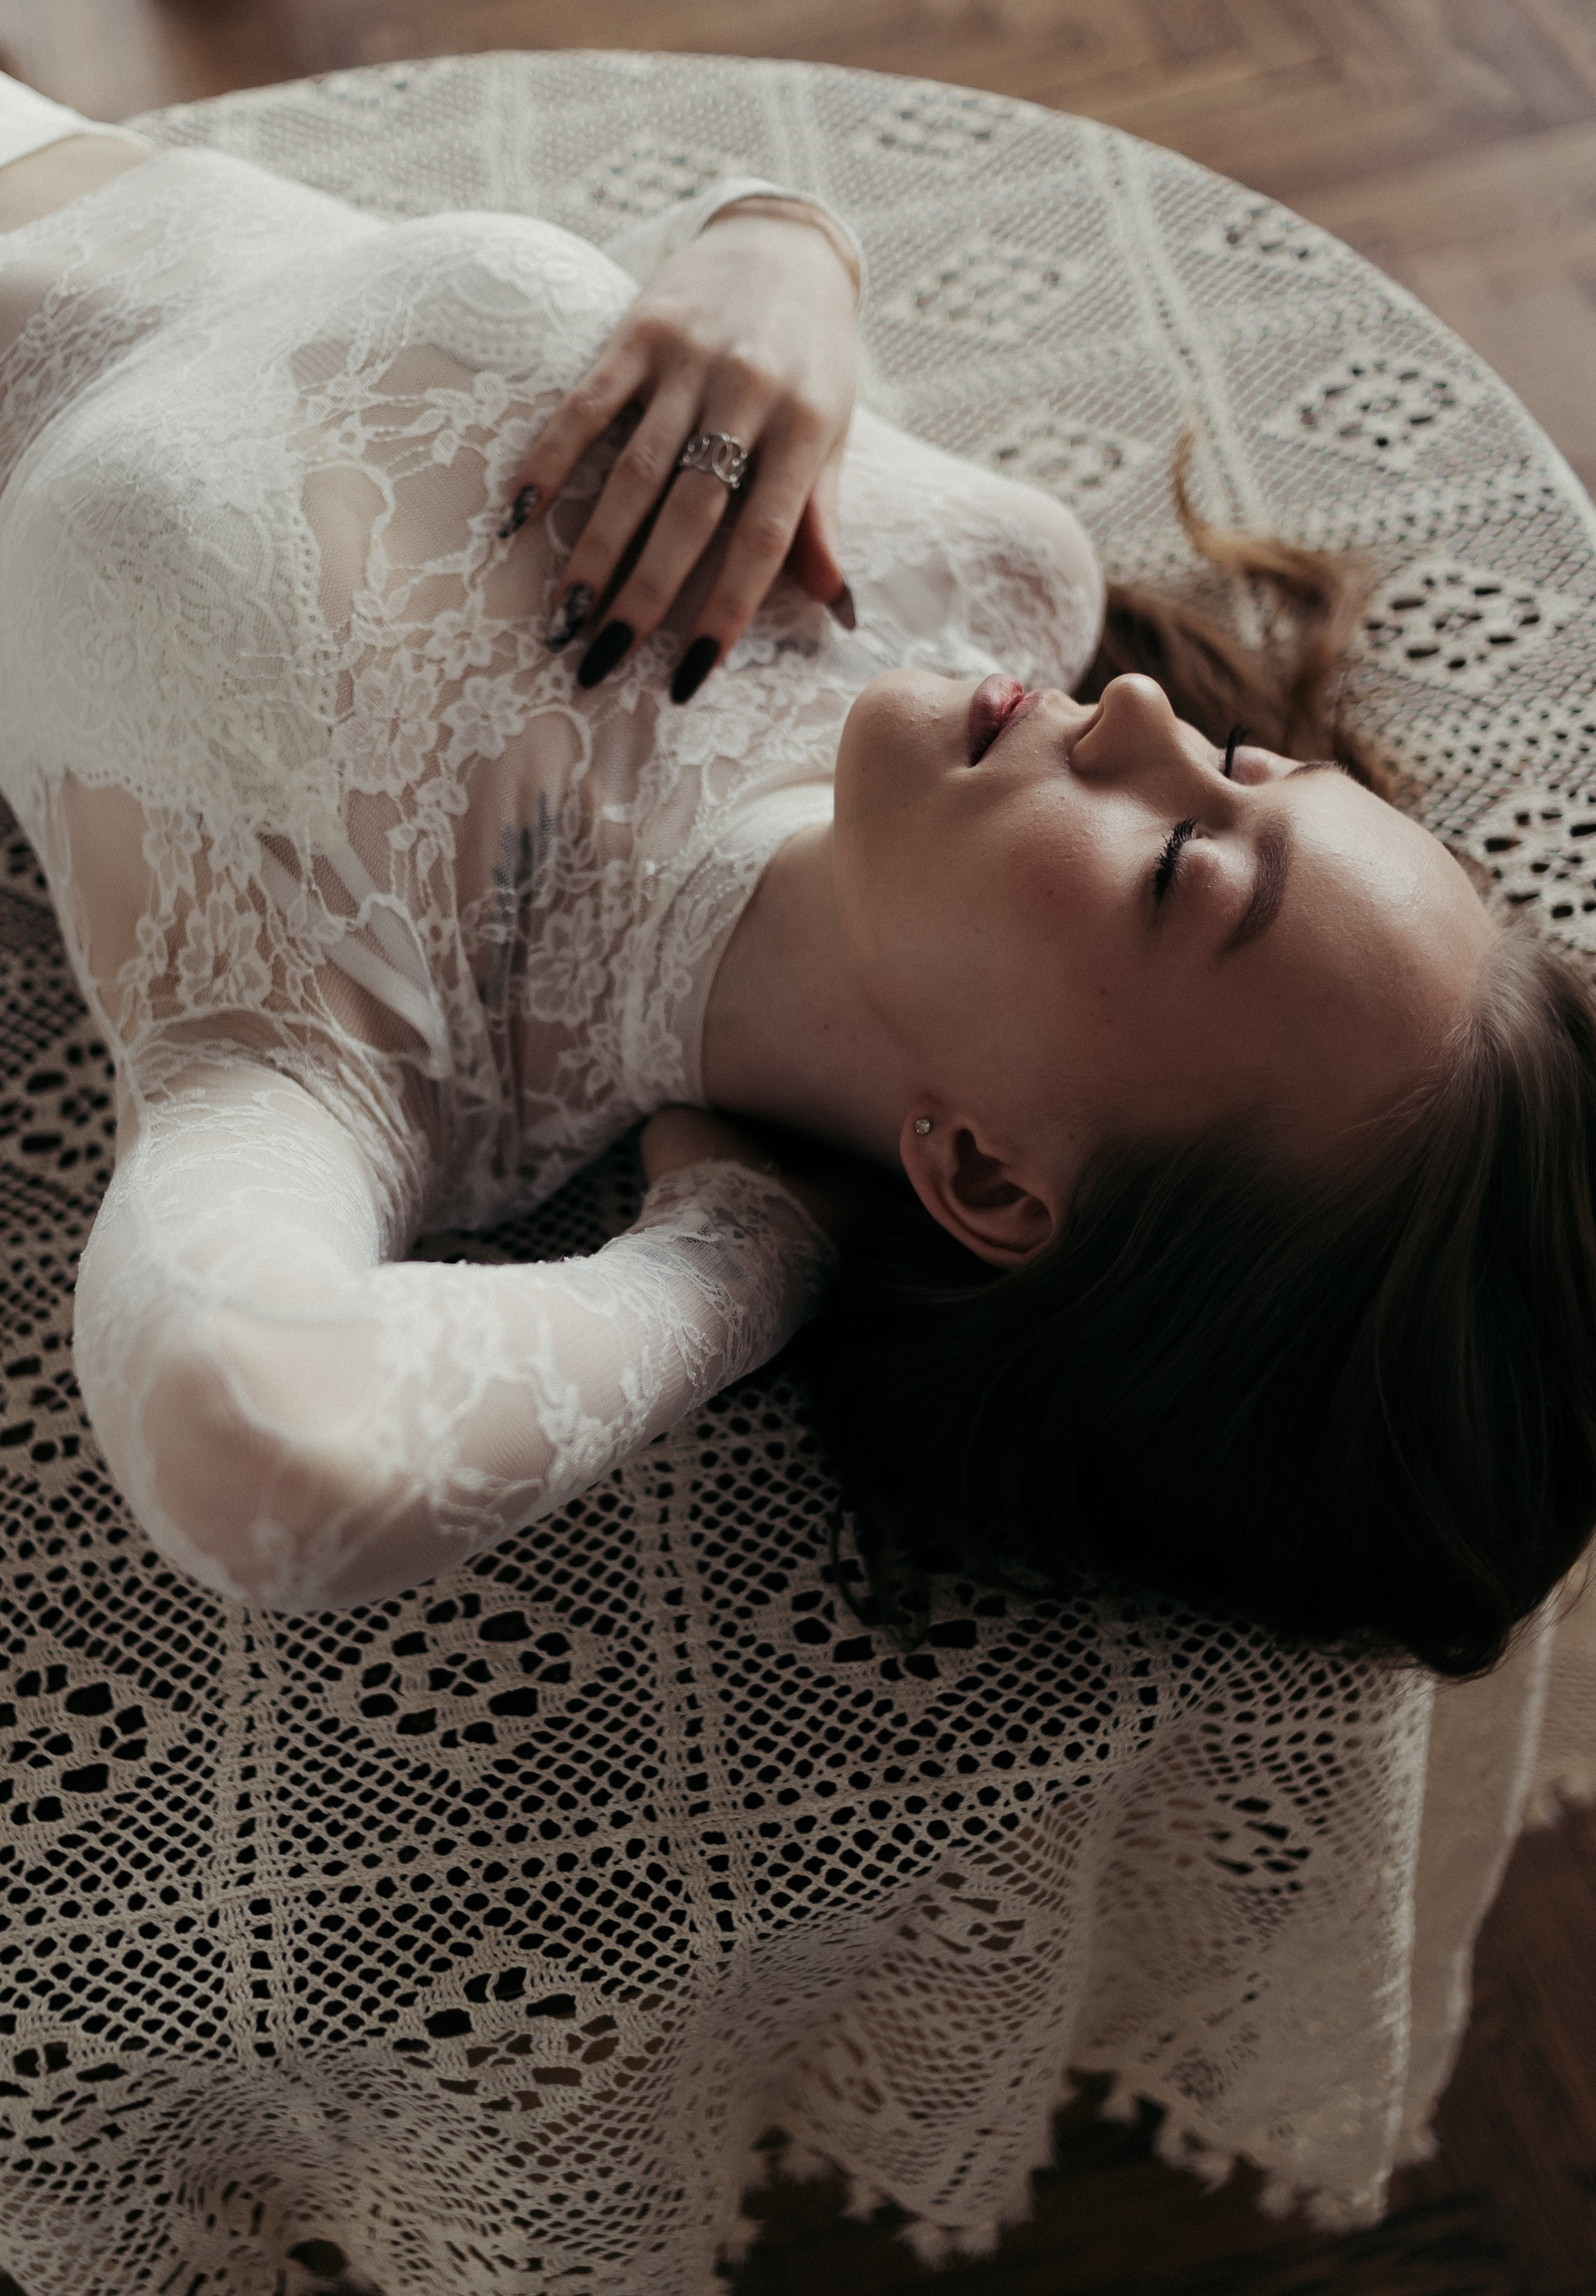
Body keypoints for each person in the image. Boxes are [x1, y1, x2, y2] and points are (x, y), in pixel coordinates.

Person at [0, 75, 1590, 1679]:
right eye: (1243, 763)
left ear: (987, 1179)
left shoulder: (373, 1053)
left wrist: (738, 1255)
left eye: (1180, 868)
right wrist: (779, 253)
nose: (1138, 710)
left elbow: (258, 1442)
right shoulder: (986, 577)